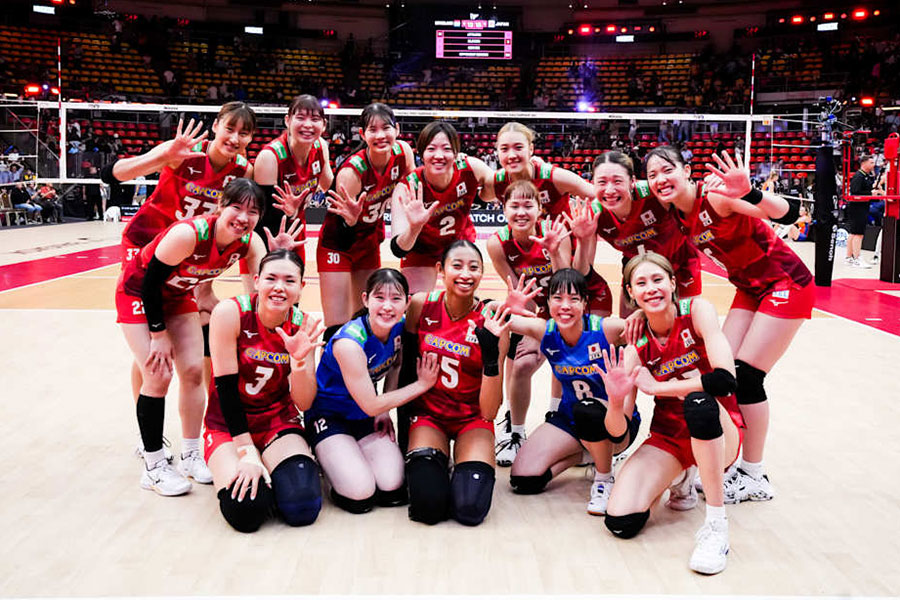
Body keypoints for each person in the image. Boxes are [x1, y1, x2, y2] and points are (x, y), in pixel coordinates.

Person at [645, 146, 813, 503]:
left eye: (667, 170)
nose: (660, 179)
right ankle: (728, 460)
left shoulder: (716, 197)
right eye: (652, 174)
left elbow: (787, 214)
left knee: (748, 377)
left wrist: (750, 191)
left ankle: (755, 474)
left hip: (786, 282)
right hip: (750, 288)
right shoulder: (676, 215)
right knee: (720, 371)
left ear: (686, 170)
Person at [116, 178, 291, 496]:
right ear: (221, 206)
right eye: (236, 207)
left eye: (252, 212)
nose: (243, 217)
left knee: (194, 371)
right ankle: (154, 467)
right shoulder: (188, 234)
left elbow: (257, 293)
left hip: (178, 295)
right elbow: (150, 282)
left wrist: (279, 256)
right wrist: (158, 333)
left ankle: (190, 454)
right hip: (139, 293)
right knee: (158, 374)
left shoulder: (249, 243)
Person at [102, 103, 257, 430]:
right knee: (150, 343)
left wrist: (205, 287)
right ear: (216, 126)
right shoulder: (185, 152)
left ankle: (182, 437)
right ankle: (147, 433)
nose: (235, 138)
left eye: (244, 133)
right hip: (145, 242)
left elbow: (218, 234)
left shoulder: (244, 170)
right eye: (230, 128)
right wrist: (161, 156)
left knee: (169, 350)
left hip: (187, 253)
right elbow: (114, 174)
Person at [602, 252, 742, 575]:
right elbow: (619, 437)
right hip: (670, 437)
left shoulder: (698, 311)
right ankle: (681, 476)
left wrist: (659, 387)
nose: (651, 288)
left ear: (673, 283)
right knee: (621, 521)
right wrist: (615, 402)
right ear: (630, 293)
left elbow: (724, 381)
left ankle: (716, 527)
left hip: (720, 428)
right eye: (641, 283)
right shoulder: (635, 346)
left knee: (699, 403)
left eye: (658, 279)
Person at [500, 270, 640, 515]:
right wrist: (507, 307)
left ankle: (604, 478)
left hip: (612, 422)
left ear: (585, 303)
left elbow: (649, 327)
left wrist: (641, 314)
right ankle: (587, 455)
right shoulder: (545, 330)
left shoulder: (605, 329)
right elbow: (493, 315)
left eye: (574, 299)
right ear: (548, 303)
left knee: (588, 410)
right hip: (571, 420)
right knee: (524, 480)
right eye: (558, 298)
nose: (565, 306)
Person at [205, 250, 326, 532]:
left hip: (276, 421)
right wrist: (247, 452)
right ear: (257, 281)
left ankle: (275, 470)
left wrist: (298, 362)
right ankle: (252, 468)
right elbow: (225, 391)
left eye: (289, 281)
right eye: (271, 278)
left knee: (303, 506)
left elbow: (304, 402)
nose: (279, 287)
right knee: (246, 512)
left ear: (301, 287)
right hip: (228, 424)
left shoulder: (303, 325)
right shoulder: (230, 313)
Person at [306, 269, 440, 514]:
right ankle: (325, 459)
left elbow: (396, 365)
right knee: (360, 493)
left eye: (396, 299)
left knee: (392, 485)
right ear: (365, 299)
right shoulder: (349, 343)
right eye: (380, 298)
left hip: (364, 416)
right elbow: (370, 404)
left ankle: (347, 455)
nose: (387, 306)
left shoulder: (399, 327)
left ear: (407, 303)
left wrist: (383, 412)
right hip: (329, 416)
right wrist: (421, 385)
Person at [403, 241, 510, 526]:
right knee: (428, 507)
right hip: (429, 416)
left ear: (482, 274)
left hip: (472, 419)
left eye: (474, 267)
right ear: (441, 270)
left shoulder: (492, 321)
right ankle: (437, 465)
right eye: (457, 266)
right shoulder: (421, 305)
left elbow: (490, 411)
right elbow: (406, 370)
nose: (465, 274)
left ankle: (459, 463)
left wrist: (490, 356)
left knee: (470, 508)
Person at [486, 180, 572, 466]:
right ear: (504, 209)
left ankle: (557, 415)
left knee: (565, 362)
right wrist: (534, 328)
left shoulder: (555, 232)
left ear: (540, 209)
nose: (521, 212)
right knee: (522, 365)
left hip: (566, 308)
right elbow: (518, 293)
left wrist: (555, 252)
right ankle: (516, 432)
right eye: (514, 206)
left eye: (528, 205)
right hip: (532, 311)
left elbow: (567, 283)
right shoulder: (497, 243)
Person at [316, 103, 415, 339]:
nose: (380, 135)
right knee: (337, 327)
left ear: (397, 129)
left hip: (368, 240)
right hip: (338, 243)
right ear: (362, 134)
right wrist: (350, 222)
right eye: (373, 130)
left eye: (386, 128)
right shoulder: (351, 173)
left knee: (365, 319)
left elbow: (414, 186)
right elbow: (341, 231)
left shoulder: (403, 153)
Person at [573, 151, 703, 316]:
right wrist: (582, 239)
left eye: (617, 181)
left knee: (685, 324)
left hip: (680, 263)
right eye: (602, 182)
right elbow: (582, 273)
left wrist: (713, 186)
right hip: (637, 270)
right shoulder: (594, 215)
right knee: (629, 326)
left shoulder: (654, 192)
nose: (610, 190)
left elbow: (690, 192)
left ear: (632, 181)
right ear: (593, 184)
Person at [240, 95, 334, 291]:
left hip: (295, 236)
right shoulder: (270, 157)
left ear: (324, 125)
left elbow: (328, 186)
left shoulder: (320, 147)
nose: (308, 124)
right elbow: (262, 220)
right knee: (260, 303)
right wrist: (290, 213)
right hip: (265, 239)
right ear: (287, 121)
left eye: (315, 119)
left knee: (293, 302)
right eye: (300, 117)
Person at [389, 121, 496, 293]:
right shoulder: (407, 187)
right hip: (421, 250)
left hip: (459, 244)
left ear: (456, 152)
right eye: (431, 149)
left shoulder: (470, 168)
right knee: (417, 303)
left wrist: (528, 165)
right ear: (421, 153)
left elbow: (499, 186)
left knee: (462, 301)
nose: (439, 155)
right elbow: (397, 249)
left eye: (446, 149)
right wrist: (414, 228)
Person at [845, 155, 877, 268]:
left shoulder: (866, 176)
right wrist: (870, 193)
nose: (874, 165)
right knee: (858, 234)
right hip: (857, 207)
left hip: (861, 206)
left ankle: (849, 257)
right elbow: (855, 191)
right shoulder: (858, 176)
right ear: (864, 163)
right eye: (871, 162)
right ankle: (857, 258)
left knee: (853, 233)